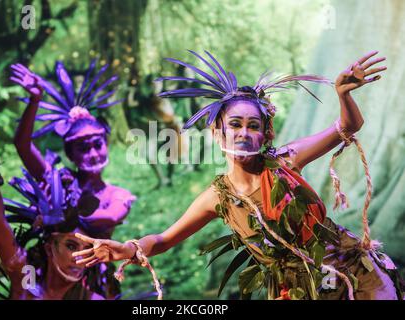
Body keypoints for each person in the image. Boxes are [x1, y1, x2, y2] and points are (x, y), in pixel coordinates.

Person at [71, 50, 403, 300]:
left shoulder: (286, 161)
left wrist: (343, 95)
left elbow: (347, 127)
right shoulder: (218, 197)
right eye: (235, 124)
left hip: (355, 273)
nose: (244, 133)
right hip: (297, 293)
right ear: (217, 134)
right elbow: (163, 240)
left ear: (265, 134)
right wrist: (126, 249)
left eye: (253, 126)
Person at [9, 61, 137, 297]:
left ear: (106, 145)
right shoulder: (58, 182)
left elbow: (110, 216)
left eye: (97, 145)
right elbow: (22, 145)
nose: (93, 154)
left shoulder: (116, 195)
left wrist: (59, 214)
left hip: (89, 285)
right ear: (70, 154)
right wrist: (35, 100)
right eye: (83, 148)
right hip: (48, 280)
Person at [0, 118, 107, 299]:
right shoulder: (25, 281)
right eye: (71, 245)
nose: (80, 257)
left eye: (87, 250)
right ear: (49, 248)